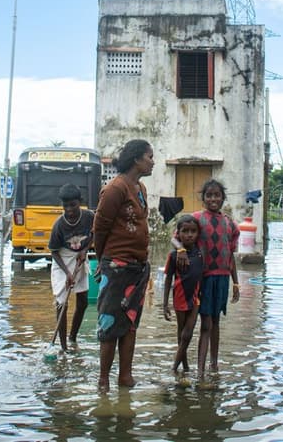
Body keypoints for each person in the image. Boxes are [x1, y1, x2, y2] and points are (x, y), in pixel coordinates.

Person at [92, 139, 154, 391]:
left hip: (137, 268)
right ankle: (104, 379)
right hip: (116, 266)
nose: (153, 162)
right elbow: (100, 227)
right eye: (150, 157)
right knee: (109, 323)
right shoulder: (115, 189)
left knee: (129, 323)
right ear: (136, 159)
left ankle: (125, 376)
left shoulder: (140, 188)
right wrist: (102, 261)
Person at [172, 179, 240, 381]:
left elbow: (231, 256)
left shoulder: (230, 224)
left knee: (216, 321)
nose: (213, 199)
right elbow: (174, 238)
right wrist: (181, 250)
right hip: (203, 278)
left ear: (223, 198)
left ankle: (214, 364)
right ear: (203, 199)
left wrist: (236, 283)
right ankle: (200, 372)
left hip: (222, 278)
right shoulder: (196, 219)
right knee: (205, 323)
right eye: (209, 195)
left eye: (216, 195)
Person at [48, 183, 95, 351]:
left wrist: (85, 249)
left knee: (82, 302)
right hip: (62, 260)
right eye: (65, 206)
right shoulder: (59, 225)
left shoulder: (89, 216)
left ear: (80, 202)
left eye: (73, 205)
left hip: (80, 257)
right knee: (62, 304)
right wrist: (68, 274)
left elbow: (95, 233)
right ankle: (63, 347)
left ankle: (73, 338)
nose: (69, 209)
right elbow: (53, 252)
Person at [162, 214, 203, 375]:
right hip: (179, 297)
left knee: (187, 333)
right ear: (178, 234)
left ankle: (174, 368)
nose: (189, 235)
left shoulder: (200, 252)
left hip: (195, 297)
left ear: (198, 234)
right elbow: (167, 280)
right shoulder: (174, 256)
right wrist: (165, 304)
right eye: (185, 231)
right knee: (182, 333)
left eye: (193, 231)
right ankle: (184, 367)